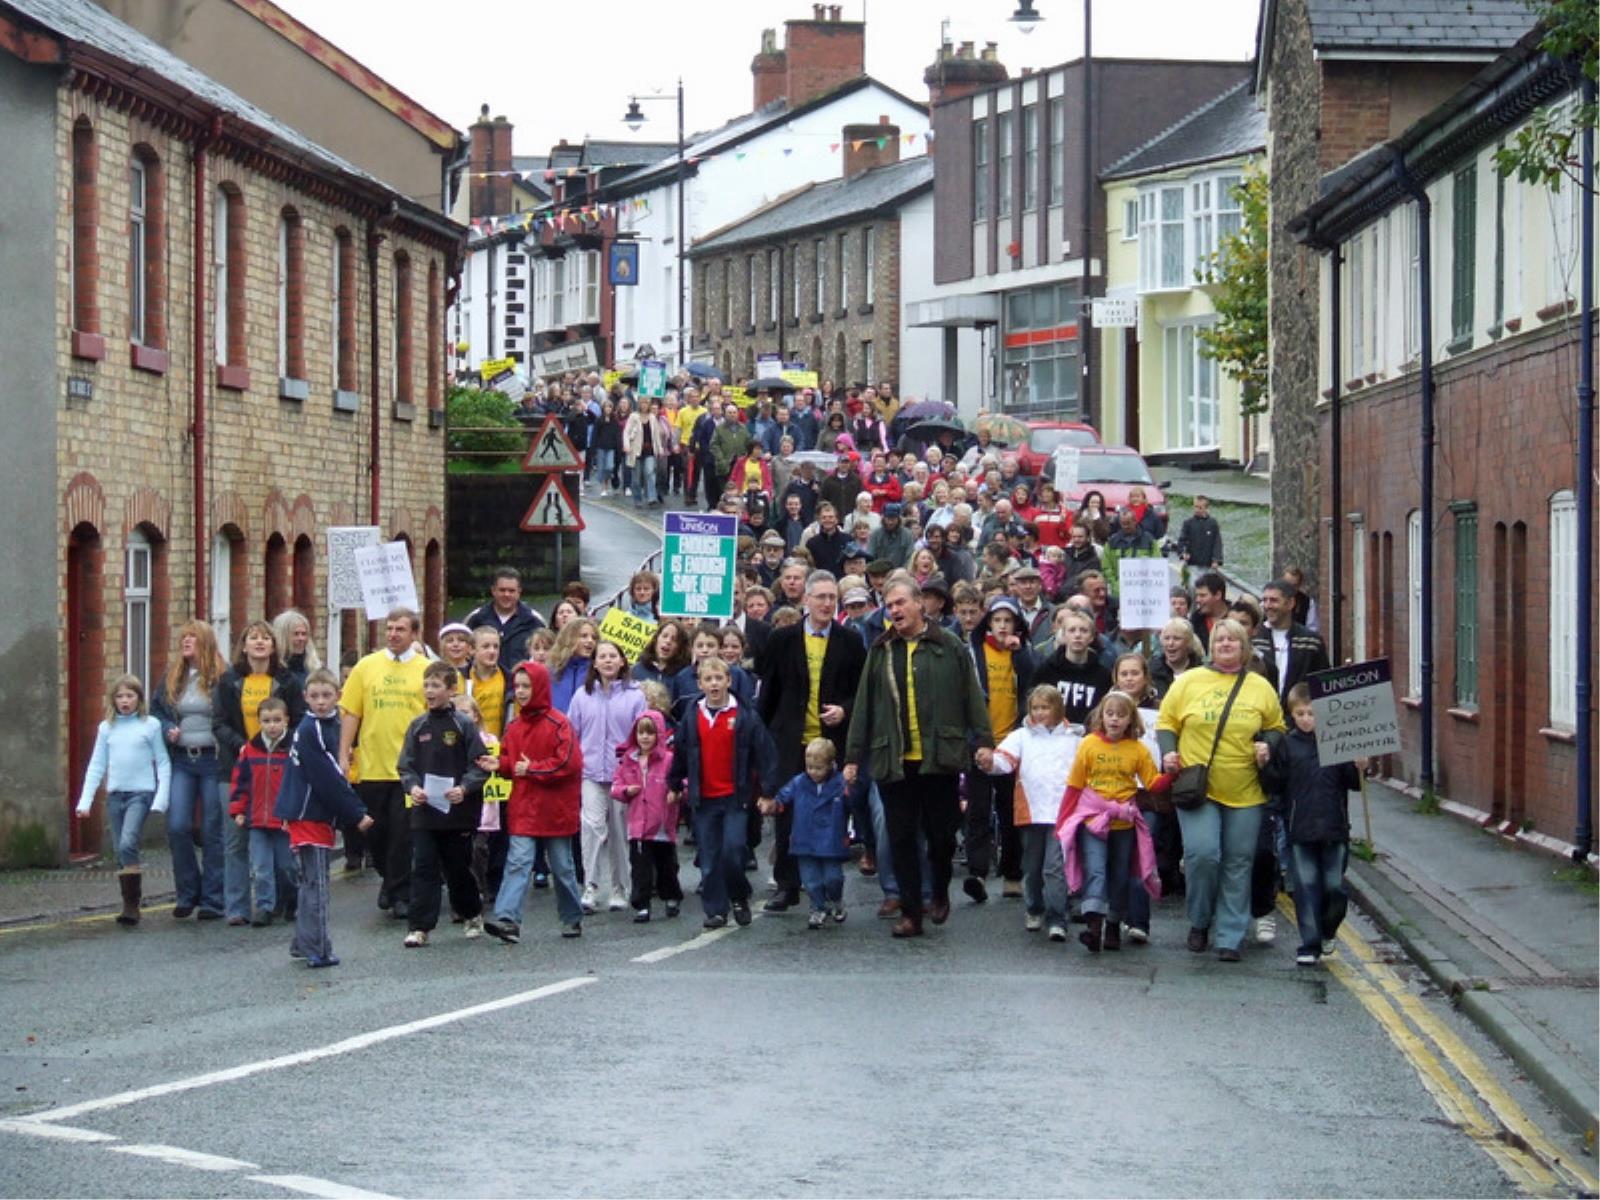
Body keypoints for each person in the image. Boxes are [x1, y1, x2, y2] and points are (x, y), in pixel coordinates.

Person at [844, 576, 994, 938]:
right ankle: (912, 911)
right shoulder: (881, 650)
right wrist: (852, 756)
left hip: (939, 757)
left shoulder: (950, 645)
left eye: (899, 602)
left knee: (941, 836)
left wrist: (984, 741)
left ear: (919, 604)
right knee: (900, 837)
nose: (894, 610)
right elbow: (863, 704)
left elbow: (971, 695)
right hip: (894, 759)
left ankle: (939, 889)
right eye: (889, 604)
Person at [1156, 619, 1286, 962]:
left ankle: (1230, 935)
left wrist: (1267, 745)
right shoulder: (1189, 682)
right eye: (1219, 640)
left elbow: (1276, 726)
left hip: (1245, 789)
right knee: (1202, 855)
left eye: (1233, 639)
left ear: (1244, 647)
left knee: (1238, 862)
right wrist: (1169, 750)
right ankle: (1199, 919)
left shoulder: (1260, 687)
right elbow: (1166, 722)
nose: (1226, 644)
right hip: (1199, 788)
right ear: (1210, 646)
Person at [757, 570, 865, 913]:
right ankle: (787, 885)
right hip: (791, 742)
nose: (827, 604)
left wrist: (843, 711)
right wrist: (768, 738)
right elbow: (768, 695)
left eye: (832, 598)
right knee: (787, 814)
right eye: (820, 597)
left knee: (829, 817)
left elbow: (860, 693)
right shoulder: (783, 639)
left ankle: (829, 887)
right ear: (806, 600)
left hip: (830, 743)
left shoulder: (850, 640)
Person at [667, 656, 779, 930]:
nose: (714, 683)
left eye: (719, 678)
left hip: (735, 798)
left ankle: (739, 895)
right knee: (709, 857)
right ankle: (716, 910)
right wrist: (673, 784)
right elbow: (681, 753)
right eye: (708, 679)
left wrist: (767, 791)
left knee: (733, 851)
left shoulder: (745, 716)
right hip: (703, 799)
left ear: (729, 681)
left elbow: (765, 754)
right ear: (700, 684)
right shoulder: (693, 715)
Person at [274, 668, 375, 968]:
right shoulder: (312, 729)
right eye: (314, 696)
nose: (320, 702)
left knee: (309, 882)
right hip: (309, 814)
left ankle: (301, 942)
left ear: (338, 696)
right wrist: (357, 813)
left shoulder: (330, 725)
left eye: (326, 695)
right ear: (305, 697)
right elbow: (328, 777)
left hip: (311, 813)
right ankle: (317, 947)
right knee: (317, 883)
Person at [1262, 683, 1364, 965]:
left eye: (1312, 713)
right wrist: (1265, 765)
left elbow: (1353, 784)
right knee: (1306, 887)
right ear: (1291, 714)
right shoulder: (1286, 744)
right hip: (1299, 828)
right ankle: (1309, 944)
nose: (1307, 719)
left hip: (1334, 828)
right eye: (1300, 713)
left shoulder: (1337, 742)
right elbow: (1274, 784)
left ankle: (1328, 929)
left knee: (1334, 886)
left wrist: (1360, 767)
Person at [484, 661, 585, 943]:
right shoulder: (514, 726)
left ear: (540, 687)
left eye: (527, 686)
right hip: (525, 807)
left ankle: (571, 916)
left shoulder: (559, 723)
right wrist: (499, 764)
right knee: (518, 862)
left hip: (555, 809)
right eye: (517, 686)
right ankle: (508, 920)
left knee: (562, 867)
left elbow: (569, 763)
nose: (521, 692)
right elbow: (511, 762)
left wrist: (532, 769)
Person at [1058, 691, 1166, 953]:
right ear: (1101, 717)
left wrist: (1172, 773)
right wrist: (1064, 821)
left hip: (1123, 823)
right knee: (1095, 870)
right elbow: (1075, 784)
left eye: (1121, 715)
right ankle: (1094, 927)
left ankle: (1114, 924)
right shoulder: (1088, 745)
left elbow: (1152, 783)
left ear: (1131, 719)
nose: (1115, 720)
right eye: (1110, 714)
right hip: (1094, 820)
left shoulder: (1137, 749)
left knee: (1119, 875)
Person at [339, 608, 429, 920]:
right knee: (374, 832)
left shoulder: (426, 670)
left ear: (414, 633)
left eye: (400, 629)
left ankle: (400, 892)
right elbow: (351, 713)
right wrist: (343, 752)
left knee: (402, 834)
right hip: (372, 765)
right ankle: (390, 879)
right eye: (389, 628)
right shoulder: (366, 667)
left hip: (409, 770)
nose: (392, 634)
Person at [214, 621, 306, 925]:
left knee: (280, 843)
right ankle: (238, 908)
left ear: (273, 645)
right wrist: (245, 746)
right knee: (236, 842)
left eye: (265, 637)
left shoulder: (287, 681)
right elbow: (219, 723)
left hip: (278, 766)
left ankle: (279, 901)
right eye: (253, 637)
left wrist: (278, 744)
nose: (259, 642)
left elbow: (298, 721)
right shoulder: (228, 681)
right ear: (243, 644)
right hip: (237, 768)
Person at [396, 662, 490, 948]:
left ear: (451, 690)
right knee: (423, 865)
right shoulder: (417, 726)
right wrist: (412, 787)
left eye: (436, 686)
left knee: (457, 867)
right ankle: (419, 927)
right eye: (426, 685)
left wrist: (464, 788)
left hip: (458, 812)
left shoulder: (463, 725)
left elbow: (481, 765)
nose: (429, 691)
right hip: (426, 810)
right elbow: (405, 766)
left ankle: (472, 912)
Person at [976, 684, 1078, 938]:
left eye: (1046, 707)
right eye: (1035, 707)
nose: (1040, 712)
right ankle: (1034, 907)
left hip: (1062, 813)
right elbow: (1004, 760)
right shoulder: (1021, 736)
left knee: (1054, 866)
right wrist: (990, 762)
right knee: (1032, 866)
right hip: (1031, 811)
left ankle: (1058, 917)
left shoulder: (1075, 738)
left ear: (1058, 708)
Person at [75, 674, 170, 926]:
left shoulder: (150, 725)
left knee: (128, 842)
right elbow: (97, 765)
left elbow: (162, 762)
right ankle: (129, 905)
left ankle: (132, 904)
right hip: (115, 795)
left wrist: (161, 798)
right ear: (113, 700)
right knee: (120, 850)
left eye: (130, 696)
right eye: (120, 696)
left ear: (139, 699)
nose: (125, 701)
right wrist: (85, 802)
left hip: (141, 793)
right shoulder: (106, 728)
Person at [962, 595, 1037, 904]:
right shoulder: (974, 652)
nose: (1003, 627)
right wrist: (976, 740)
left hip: (1012, 743)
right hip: (980, 742)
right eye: (998, 621)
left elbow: (1033, 684)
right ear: (988, 623)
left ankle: (1012, 874)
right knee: (978, 809)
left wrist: (1020, 654)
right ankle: (977, 871)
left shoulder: (1023, 654)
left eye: (1009, 621)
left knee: (1010, 811)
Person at [152, 621, 227, 920]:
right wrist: (168, 727)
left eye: (192, 637)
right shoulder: (173, 677)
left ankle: (212, 898)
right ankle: (186, 892)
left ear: (206, 642)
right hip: (182, 759)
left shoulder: (222, 677)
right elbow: (157, 711)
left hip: (212, 759)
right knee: (178, 826)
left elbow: (230, 714)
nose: (186, 642)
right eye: (183, 637)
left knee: (212, 829)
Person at [567, 640, 645, 914]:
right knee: (591, 827)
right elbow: (571, 735)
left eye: (613, 656)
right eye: (603, 656)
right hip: (590, 773)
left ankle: (620, 888)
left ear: (623, 661)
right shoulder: (582, 695)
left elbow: (641, 736)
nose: (608, 661)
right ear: (595, 663)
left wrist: (634, 770)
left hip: (622, 775)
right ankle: (591, 887)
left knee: (619, 833)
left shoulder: (636, 695)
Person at [766, 737, 850, 929]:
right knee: (811, 881)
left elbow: (852, 803)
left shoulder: (841, 784)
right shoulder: (799, 782)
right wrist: (774, 805)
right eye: (809, 767)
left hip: (831, 839)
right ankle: (817, 907)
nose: (813, 772)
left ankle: (836, 900)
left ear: (831, 765)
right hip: (805, 839)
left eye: (818, 768)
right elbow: (784, 796)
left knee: (833, 878)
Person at [227, 695, 294, 927]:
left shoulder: (293, 750)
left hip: (284, 820)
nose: (272, 725)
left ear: (286, 720)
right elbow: (240, 783)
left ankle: (290, 901)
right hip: (256, 821)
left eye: (277, 720)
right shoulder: (250, 751)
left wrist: (294, 814)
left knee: (287, 867)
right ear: (259, 722)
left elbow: (297, 785)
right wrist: (238, 810)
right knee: (260, 867)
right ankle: (265, 906)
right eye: (267, 721)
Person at [612, 709, 682, 922]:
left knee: (665, 867)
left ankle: (671, 896)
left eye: (650, 733)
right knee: (640, 868)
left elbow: (681, 782)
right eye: (641, 733)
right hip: (638, 825)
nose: (644, 737)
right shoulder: (629, 760)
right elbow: (616, 785)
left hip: (661, 825)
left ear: (659, 735)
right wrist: (625, 791)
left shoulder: (668, 760)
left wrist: (676, 791)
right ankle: (641, 904)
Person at [1032, 609, 1114, 726]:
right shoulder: (1046, 670)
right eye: (1072, 630)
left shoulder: (1104, 676)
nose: (1077, 635)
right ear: (1063, 636)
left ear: (1091, 637)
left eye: (1084, 631)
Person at [1254, 579, 1332, 701]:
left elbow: (1323, 682)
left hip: (1297, 716)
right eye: (1265, 600)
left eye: (1274, 600)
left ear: (1290, 603)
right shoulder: (1254, 638)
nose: (1268, 605)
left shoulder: (1311, 642)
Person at [465, 567, 545, 665]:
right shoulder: (476, 619)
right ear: (493, 590)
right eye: (502, 590)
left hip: (521, 679)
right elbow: (464, 654)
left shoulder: (534, 621)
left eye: (511, 591)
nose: (506, 594)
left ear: (519, 592)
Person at [466, 627, 514, 738]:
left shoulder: (509, 679)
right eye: (486, 646)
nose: (492, 651)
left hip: (499, 744)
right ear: (472, 649)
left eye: (496, 647)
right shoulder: (462, 678)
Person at [547, 618, 599, 713]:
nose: (590, 641)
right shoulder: (550, 671)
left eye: (594, 638)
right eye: (584, 636)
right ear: (569, 638)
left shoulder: (598, 671)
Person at [1151, 618, 1206, 700]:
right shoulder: (1151, 671)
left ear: (1188, 642)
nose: (1170, 643)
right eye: (1166, 638)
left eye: (1177, 638)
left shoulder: (1202, 672)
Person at [272, 609, 322, 686]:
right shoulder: (273, 671)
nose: (301, 638)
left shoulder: (314, 670)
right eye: (296, 634)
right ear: (282, 637)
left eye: (304, 634)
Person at [1176, 495, 1224, 571]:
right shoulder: (1188, 523)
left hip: (1207, 563)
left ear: (1206, 508)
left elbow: (1217, 542)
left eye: (1200, 508)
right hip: (1191, 563)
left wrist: (1216, 559)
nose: (1197, 510)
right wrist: (1183, 553)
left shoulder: (1212, 523)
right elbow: (1182, 540)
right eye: (1195, 507)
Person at [1189, 572, 1229, 649]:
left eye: (1202, 595)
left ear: (1218, 595)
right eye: (1197, 595)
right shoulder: (1195, 620)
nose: (1197, 600)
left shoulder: (1236, 616)